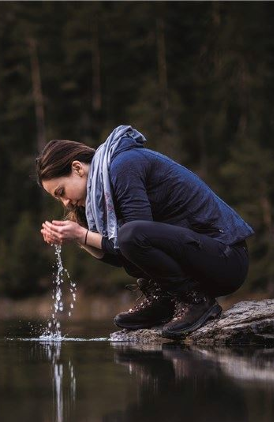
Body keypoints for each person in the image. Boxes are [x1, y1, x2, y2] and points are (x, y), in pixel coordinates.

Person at [37, 125, 254, 339]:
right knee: (131, 239)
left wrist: (81, 234)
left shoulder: (123, 165)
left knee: (131, 235)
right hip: (203, 261)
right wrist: (81, 239)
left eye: (62, 192)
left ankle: (195, 301)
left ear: (77, 168)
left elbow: (133, 238)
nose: (65, 203)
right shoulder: (103, 191)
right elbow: (125, 256)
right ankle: (166, 301)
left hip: (227, 258)